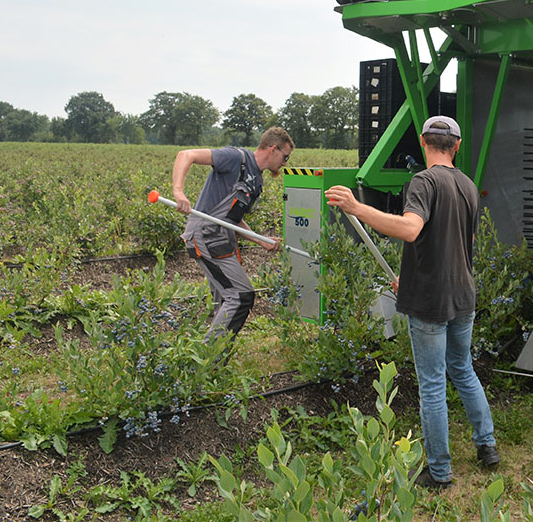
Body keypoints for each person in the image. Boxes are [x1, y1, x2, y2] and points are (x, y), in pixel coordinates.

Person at [324, 116, 499, 490]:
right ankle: (488, 446)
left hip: (431, 301)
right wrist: (413, 273)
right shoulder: (467, 184)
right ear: (458, 144)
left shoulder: (423, 181)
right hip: (462, 293)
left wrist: (358, 208)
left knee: (433, 385)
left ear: (422, 142)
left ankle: (439, 472)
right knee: (463, 369)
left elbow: (410, 228)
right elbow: (458, 246)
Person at [171, 127, 293, 344]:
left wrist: (260, 240)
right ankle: (209, 359)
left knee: (225, 300)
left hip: (221, 239)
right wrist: (178, 191)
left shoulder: (256, 179)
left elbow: (231, 218)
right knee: (240, 296)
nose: (285, 163)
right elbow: (185, 155)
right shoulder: (236, 158)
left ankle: (212, 366)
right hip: (205, 235)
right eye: (285, 157)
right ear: (273, 149)